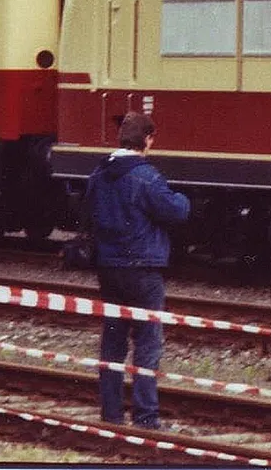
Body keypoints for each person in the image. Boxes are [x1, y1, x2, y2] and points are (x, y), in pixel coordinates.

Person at [86, 111, 190, 430]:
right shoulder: (146, 176)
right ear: (146, 140)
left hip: (108, 267)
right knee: (148, 341)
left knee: (113, 341)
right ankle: (146, 416)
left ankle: (112, 414)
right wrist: (184, 199)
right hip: (143, 269)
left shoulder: (98, 175)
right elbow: (176, 211)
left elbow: (86, 214)